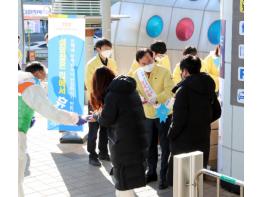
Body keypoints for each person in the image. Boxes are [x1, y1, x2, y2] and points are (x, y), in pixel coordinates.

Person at [18, 61, 87, 197]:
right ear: (37, 73)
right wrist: (74, 119)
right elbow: (51, 112)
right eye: (44, 74)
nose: (45, 78)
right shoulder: (30, 84)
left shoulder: (17, 77)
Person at [89, 67, 147, 197]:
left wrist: (97, 116)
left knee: (122, 183)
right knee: (129, 180)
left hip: (123, 143)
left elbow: (106, 120)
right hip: (138, 139)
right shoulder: (129, 89)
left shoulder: (112, 95)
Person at [167, 55, 221, 186]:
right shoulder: (209, 86)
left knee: (181, 181)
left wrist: (171, 134)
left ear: (185, 71)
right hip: (202, 138)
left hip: (183, 142)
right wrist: (202, 122)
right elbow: (217, 111)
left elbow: (178, 120)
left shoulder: (183, 91)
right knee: (196, 178)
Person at [132, 48, 174, 189]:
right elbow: (135, 91)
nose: (148, 64)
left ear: (153, 57)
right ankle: (151, 173)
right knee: (150, 145)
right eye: (144, 63)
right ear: (138, 63)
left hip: (163, 112)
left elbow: (169, 90)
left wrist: (156, 99)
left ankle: (163, 176)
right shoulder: (137, 75)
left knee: (164, 145)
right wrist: (140, 98)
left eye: (149, 61)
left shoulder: (164, 71)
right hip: (148, 114)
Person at [85, 38, 118, 166]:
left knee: (105, 126)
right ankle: (92, 155)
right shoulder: (91, 64)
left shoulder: (112, 62)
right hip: (95, 100)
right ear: (98, 49)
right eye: (105, 49)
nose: (108, 51)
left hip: (108, 99)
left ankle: (103, 152)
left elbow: (115, 79)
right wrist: (97, 100)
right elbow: (89, 84)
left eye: (109, 49)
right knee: (93, 128)